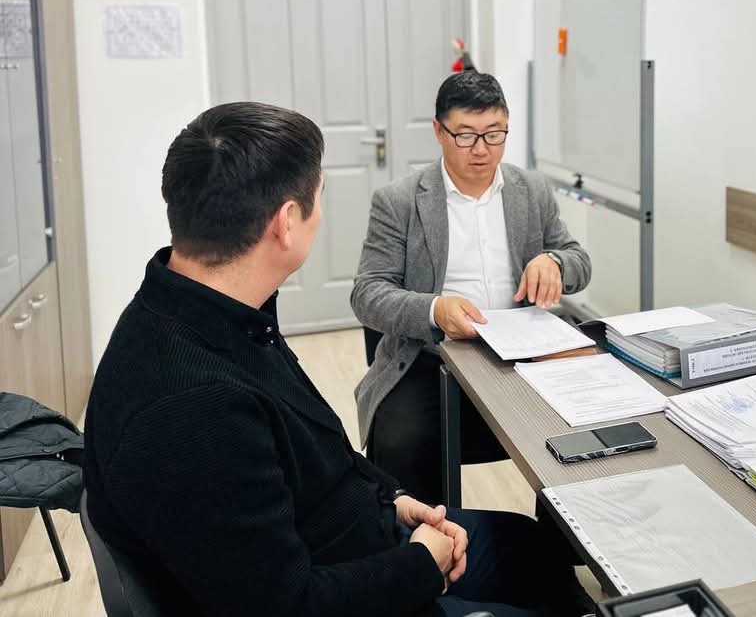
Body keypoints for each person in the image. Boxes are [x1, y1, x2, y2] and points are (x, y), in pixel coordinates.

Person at [83, 102, 588, 617]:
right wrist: (420, 564)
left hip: (367, 533)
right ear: (287, 222)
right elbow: (288, 604)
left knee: (535, 552)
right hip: (358, 585)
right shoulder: (194, 408)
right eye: (319, 197)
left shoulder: (215, 313)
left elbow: (319, 454)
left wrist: (391, 499)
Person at [353, 72, 591, 504]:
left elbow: (578, 260)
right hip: (431, 357)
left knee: (585, 423)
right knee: (401, 436)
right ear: (438, 131)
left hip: (524, 355)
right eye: (465, 135)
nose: (481, 149)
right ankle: (431, 542)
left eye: (494, 134)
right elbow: (367, 293)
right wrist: (434, 310)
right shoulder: (399, 201)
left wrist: (554, 262)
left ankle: (559, 542)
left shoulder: (531, 190)